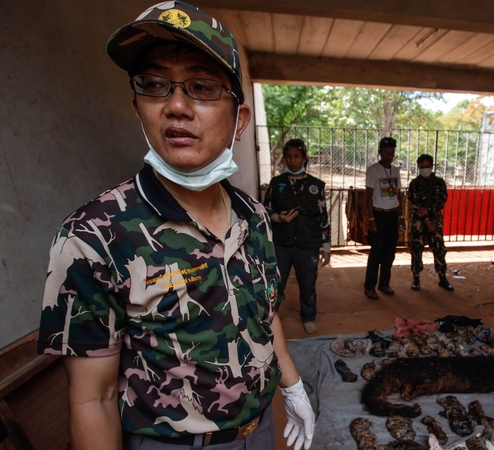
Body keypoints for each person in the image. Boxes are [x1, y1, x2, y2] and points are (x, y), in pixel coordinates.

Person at [36, 3, 314, 449]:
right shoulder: (94, 236)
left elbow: (267, 317)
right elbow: (95, 398)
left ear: (239, 119)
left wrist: (293, 386)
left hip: (257, 432)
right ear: (137, 107)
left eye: (201, 87)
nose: (177, 106)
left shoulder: (255, 218)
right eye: (155, 85)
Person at [263, 139, 331, 335]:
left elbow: (322, 216)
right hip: (282, 244)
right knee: (275, 283)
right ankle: (269, 317)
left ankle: (308, 317)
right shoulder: (277, 184)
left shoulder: (315, 186)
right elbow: (265, 211)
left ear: (304, 159)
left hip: (307, 244)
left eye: (297, 156)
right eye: (289, 157)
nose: (292, 161)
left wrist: (326, 246)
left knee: (308, 283)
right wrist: (278, 218)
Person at [363, 137, 405, 300]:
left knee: (390, 253)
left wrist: (401, 215)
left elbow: (398, 194)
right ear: (380, 152)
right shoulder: (373, 169)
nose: (389, 155)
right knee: (376, 253)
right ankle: (369, 286)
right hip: (378, 215)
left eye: (392, 152)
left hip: (392, 215)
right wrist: (371, 219)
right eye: (386, 152)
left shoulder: (395, 170)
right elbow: (368, 196)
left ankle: (384, 284)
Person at [407, 154, 453, 291]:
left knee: (439, 248)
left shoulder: (439, 182)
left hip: (435, 221)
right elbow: (414, 204)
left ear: (432, 167)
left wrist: (428, 212)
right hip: (419, 222)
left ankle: (442, 277)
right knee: (416, 249)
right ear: (418, 167)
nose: (425, 169)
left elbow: (441, 201)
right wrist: (427, 220)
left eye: (427, 166)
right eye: (422, 167)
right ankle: (416, 278)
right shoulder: (414, 184)